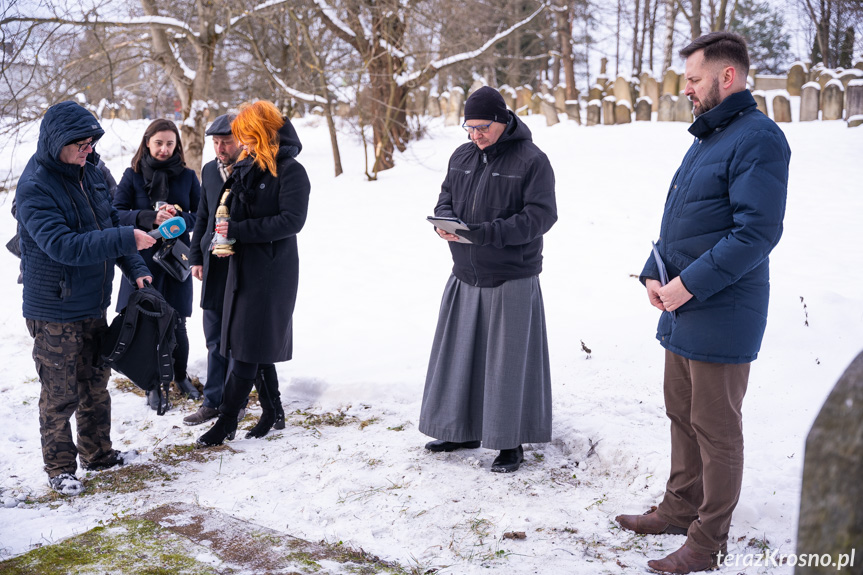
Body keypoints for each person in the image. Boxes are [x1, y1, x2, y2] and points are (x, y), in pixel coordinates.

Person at [615, 32, 790, 574]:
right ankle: (679, 507)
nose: (686, 89)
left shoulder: (759, 139)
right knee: (682, 415)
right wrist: (654, 271)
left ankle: (708, 541)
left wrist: (688, 284)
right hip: (683, 306)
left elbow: (755, 233)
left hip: (722, 310)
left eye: (694, 79)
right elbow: (684, 223)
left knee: (716, 430)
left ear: (727, 77)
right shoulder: (708, 138)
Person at [15, 101, 155, 496]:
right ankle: (60, 469)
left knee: (95, 384)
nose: (88, 149)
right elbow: (64, 246)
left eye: (92, 142)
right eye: (80, 143)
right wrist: (127, 238)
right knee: (60, 394)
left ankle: (99, 454)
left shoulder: (90, 173)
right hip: (54, 309)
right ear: (57, 141)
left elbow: (109, 223)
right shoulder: (34, 187)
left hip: (93, 303)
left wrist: (137, 268)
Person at [418, 86, 557, 474]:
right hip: (465, 273)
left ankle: (509, 442)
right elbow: (446, 197)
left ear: (503, 120)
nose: (475, 135)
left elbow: (541, 217)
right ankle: (459, 429)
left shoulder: (532, 160)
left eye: (482, 127)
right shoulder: (461, 156)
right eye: (469, 127)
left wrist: (483, 233)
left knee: (506, 363)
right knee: (461, 357)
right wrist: (444, 222)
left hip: (511, 276)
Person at [196, 100, 310, 446]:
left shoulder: (290, 171)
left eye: (246, 136)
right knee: (250, 340)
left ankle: (227, 420)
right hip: (241, 266)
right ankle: (273, 410)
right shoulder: (247, 167)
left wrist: (238, 232)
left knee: (246, 345)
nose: (242, 143)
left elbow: (292, 221)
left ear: (261, 134)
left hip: (272, 271)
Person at [185, 114, 285, 428]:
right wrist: (195, 256)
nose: (220, 148)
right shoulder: (209, 171)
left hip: (242, 264)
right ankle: (213, 402)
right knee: (214, 336)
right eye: (215, 142)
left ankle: (236, 403)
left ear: (241, 139)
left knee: (240, 339)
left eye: (226, 141)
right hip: (213, 262)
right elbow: (203, 215)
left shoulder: (255, 169)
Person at [113, 119, 202, 411]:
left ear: (177, 145)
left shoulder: (188, 177)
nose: (164, 149)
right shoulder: (133, 175)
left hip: (176, 258)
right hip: (141, 259)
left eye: (170, 144)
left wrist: (177, 218)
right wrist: (149, 218)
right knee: (146, 323)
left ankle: (180, 377)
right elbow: (115, 214)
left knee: (177, 322)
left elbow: (202, 215)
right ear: (147, 143)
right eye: (158, 143)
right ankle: (152, 385)